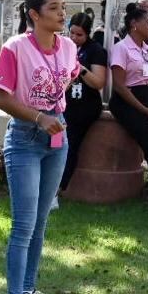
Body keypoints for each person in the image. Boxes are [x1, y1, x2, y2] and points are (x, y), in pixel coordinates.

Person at [0, 0, 80, 294]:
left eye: (63, 7)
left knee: (41, 223)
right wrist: (39, 117)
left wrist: (53, 117)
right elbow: (0, 97)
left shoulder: (69, 47)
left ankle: (28, 292)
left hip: (58, 139)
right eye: (54, 8)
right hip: (26, 139)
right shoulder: (15, 49)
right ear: (34, 14)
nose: (62, 13)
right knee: (23, 225)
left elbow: (70, 74)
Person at [108, 3, 148, 215]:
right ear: (134, 24)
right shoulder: (121, 49)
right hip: (127, 101)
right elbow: (119, 85)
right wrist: (144, 110)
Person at [59, 10, 109, 193]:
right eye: (71, 32)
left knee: (70, 145)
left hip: (84, 106)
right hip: (64, 102)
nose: (74, 37)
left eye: (79, 34)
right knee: (56, 144)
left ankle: (59, 188)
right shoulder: (64, 46)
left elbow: (98, 82)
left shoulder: (95, 51)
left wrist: (79, 68)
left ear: (87, 33)